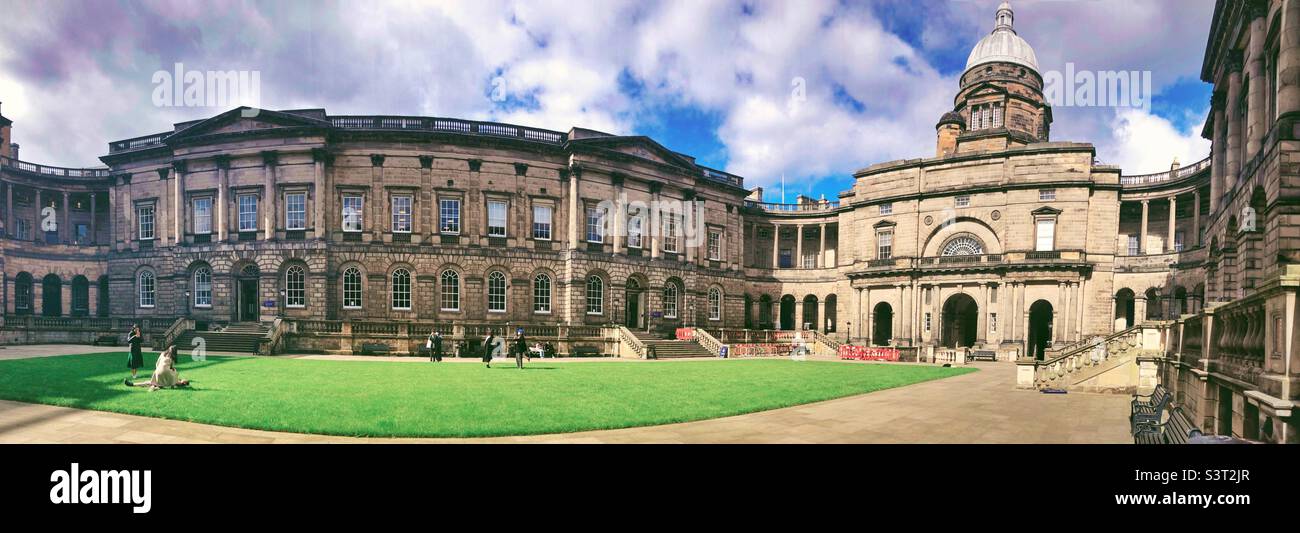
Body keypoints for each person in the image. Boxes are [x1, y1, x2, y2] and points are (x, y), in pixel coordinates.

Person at [125, 346, 190, 391]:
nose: (184, 379)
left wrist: (157, 371)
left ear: (183, 383)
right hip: (165, 375)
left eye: (185, 380)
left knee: (150, 382)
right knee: (174, 371)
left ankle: (133, 384)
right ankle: (153, 386)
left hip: (158, 371)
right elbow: (171, 369)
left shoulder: (163, 354)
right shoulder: (174, 378)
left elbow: (157, 363)